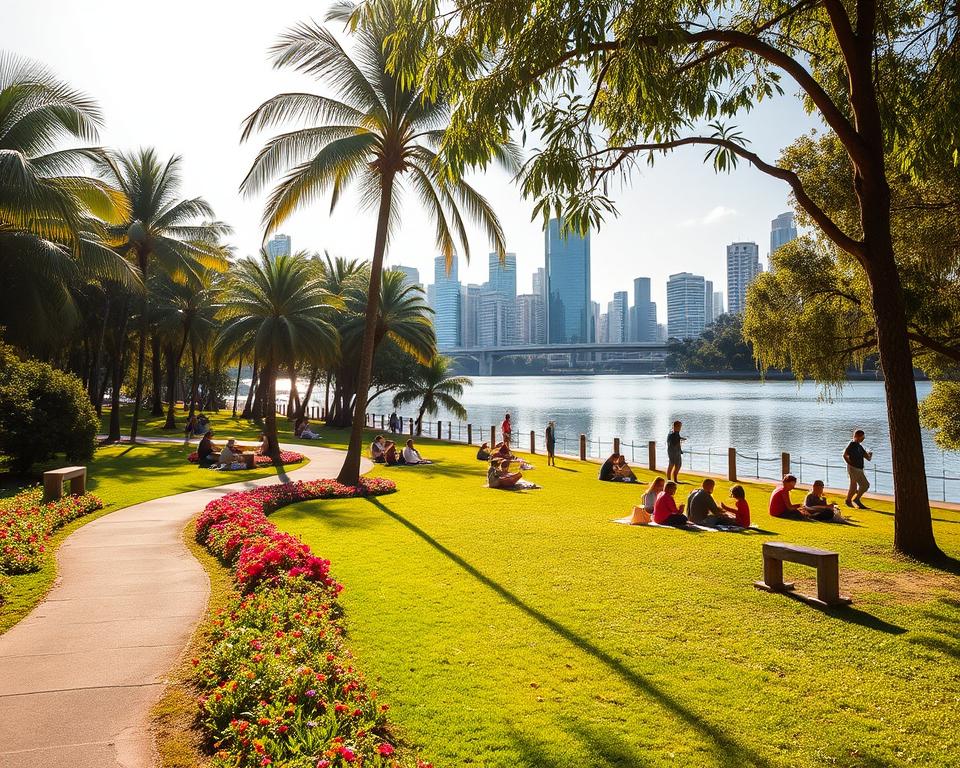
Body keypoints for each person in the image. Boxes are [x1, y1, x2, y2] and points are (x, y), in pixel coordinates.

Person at [843, 429, 873, 509]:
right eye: (862, 437)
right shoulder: (852, 444)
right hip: (853, 468)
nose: (863, 439)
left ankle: (856, 499)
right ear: (856, 436)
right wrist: (850, 463)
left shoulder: (860, 447)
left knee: (865, 485)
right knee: (854, 486)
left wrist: (870, 454)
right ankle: (848, 501)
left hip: (860, 469)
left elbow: (868, 458)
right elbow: (845, 455)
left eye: (863, 437)